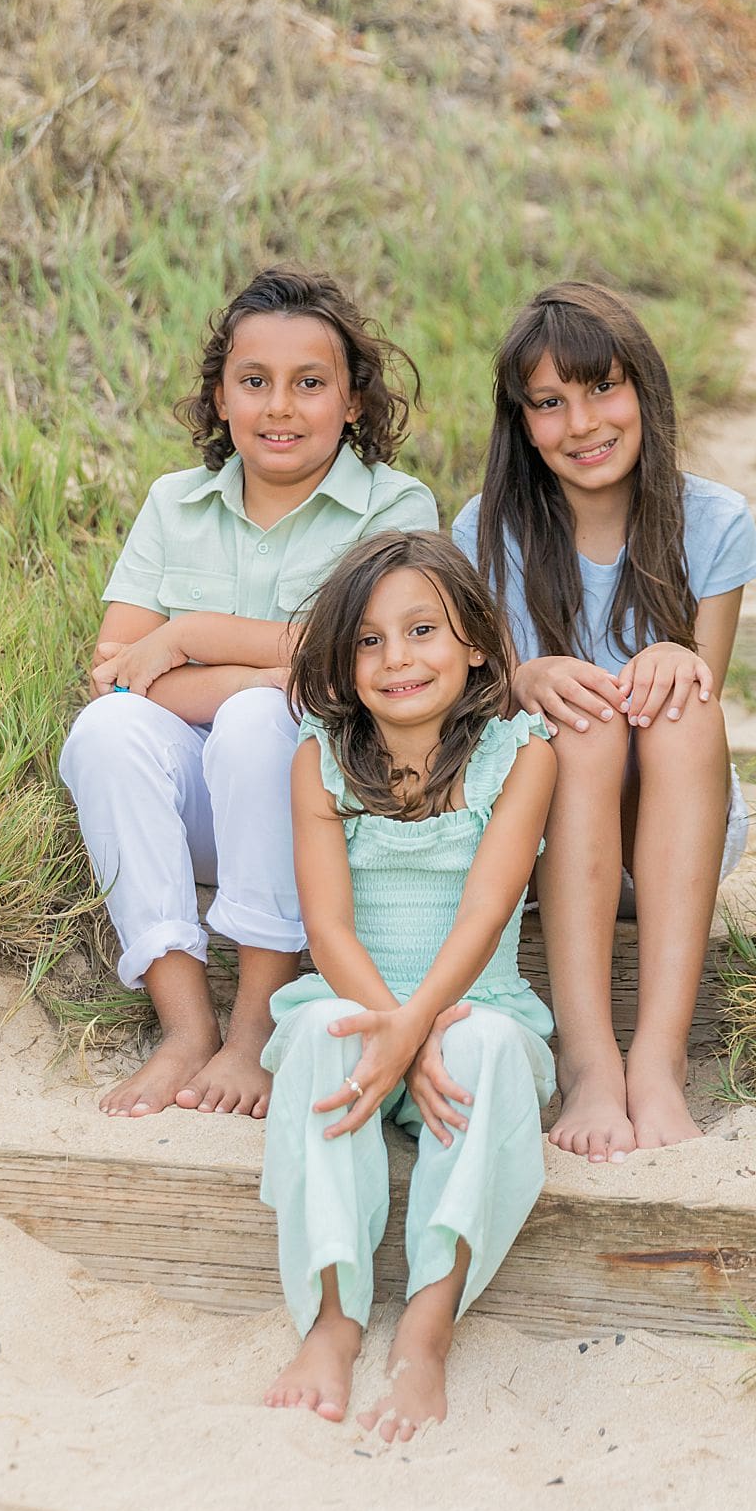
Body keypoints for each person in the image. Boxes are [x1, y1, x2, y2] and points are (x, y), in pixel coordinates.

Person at [59, 267, 437, 1122]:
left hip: (334, 815)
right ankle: (185, 1027)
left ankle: (254, 1025)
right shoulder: (175, 504)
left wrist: (191, 636)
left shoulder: (394, 507)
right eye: (254, 383)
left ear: (352, 404)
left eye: (310, 384)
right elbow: (120, 670)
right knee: (107, 731)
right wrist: (274, 670)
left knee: (264, 722)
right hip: (199, 809)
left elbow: (369, 668)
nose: (280, 407)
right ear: (220, 399)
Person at [452, 282, 756, 1165]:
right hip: (549, 841)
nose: (582, 422)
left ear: (646, 392)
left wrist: (682, 657)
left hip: (678, 836)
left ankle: (659, 1060)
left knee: (677, 700)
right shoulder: (489, 531)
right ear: (521, 423)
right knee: (580, 719)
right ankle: (591, 1060)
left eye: (603, 388)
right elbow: (472, 706)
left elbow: (705, 696)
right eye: (549, 403)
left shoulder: (710, 520)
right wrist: (526, 675)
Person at [260, 531, 556, 1439]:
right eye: (370, 641)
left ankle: (425, 1330)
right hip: (360, 1007)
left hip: (471, 1014)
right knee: (319, 1035)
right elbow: (328, 928)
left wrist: (422, 1032)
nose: (398, 660)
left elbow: (484, 913)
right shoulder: (320, 757)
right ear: (343, 666)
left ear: (474, 641)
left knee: (492, 1047)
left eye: (422, 630)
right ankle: (336, 1318)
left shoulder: (521, 755)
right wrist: (393, 1031)